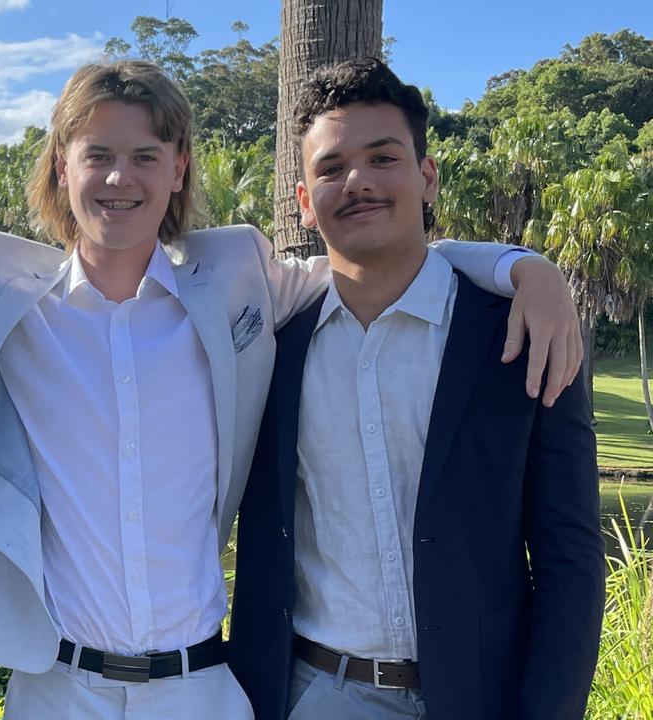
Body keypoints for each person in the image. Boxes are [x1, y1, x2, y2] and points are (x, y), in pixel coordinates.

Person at [0, 60, 581, 719]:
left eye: (147, 154)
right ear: (61, 169)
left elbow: (376, 264)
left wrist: (522, 266)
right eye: (97, 154)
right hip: (52, 689)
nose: (121, 178)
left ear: (179, 169)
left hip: (202, 690)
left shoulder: (237, 275)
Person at [229, 57, 604, 720]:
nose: (358, 182)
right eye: (331, 167)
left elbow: (569, 557)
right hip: (316, 696)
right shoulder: (270, 347)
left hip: (481, 698)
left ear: (426, 177)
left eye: (383, 157)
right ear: (304, 202)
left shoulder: (518, 335)